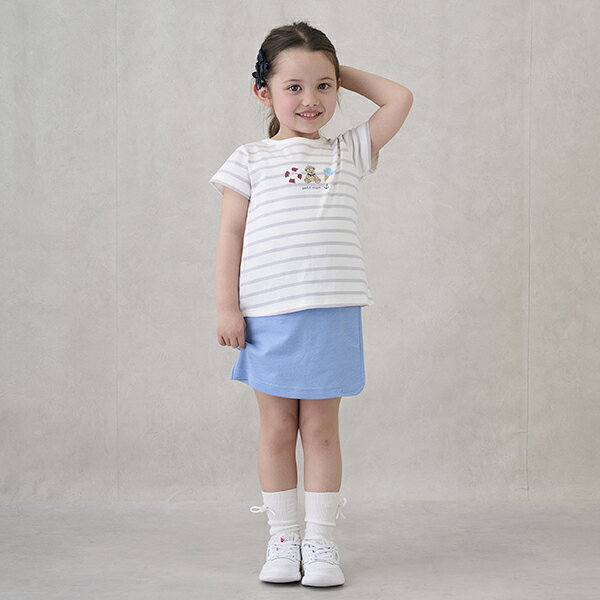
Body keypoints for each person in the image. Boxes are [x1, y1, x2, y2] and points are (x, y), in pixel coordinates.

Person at [210, 21, 413, 587]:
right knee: (277, 428)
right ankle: (283, 537)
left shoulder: (348, 151)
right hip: (269, 316)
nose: (311, 99)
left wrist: (333, 69)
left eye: (324, 86)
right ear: (263, 92)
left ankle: (320, 541)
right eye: (293, 87)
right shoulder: (250, 159)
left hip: (332, 313)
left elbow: (400, 98)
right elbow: (230, 236)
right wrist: (227, 307)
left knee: (321, 430)